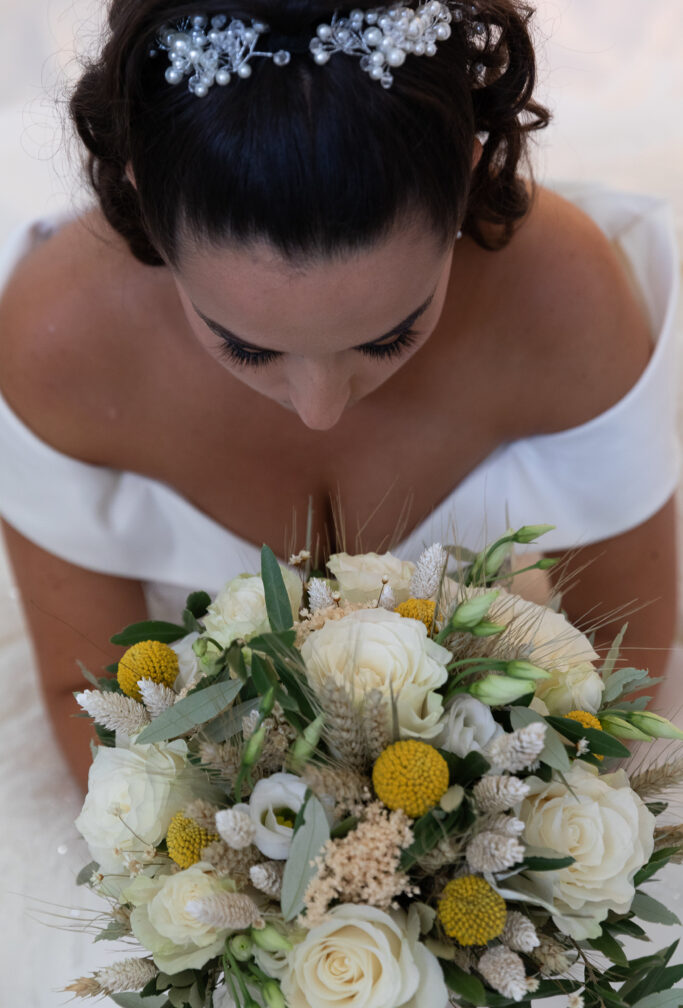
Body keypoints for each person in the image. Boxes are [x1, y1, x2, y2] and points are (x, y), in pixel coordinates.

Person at [0, 0, 679, 798]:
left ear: (465, 173)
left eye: (391, 335)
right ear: (142, 194)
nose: (319, 407)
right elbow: (93, 713)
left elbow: (623, 675)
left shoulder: (564, 306)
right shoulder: (59, 347)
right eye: (247, 345)